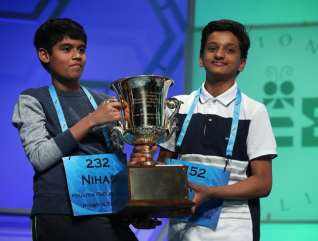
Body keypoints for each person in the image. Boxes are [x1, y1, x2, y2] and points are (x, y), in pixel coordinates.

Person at [132, 19, 277, 241]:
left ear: (242, 63)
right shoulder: (176, 106)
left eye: (230, 50)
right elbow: (162, 167)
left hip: (234, 227)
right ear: (201, 58)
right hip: (183, 225)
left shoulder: (254, 111)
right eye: (212, 48)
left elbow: (262, 182)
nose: (219, 54)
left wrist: (211, 191)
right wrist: (144, 204)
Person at [12, 18, 138, 241]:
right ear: (44, 55)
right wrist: (91, 120)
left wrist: (134, 208)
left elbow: (116, 160)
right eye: (66, 49)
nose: (77, 55)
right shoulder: (32, 99)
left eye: (81, 49)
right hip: (60, 212)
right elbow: (40, 157)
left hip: (107, 208)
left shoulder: (102, 101)